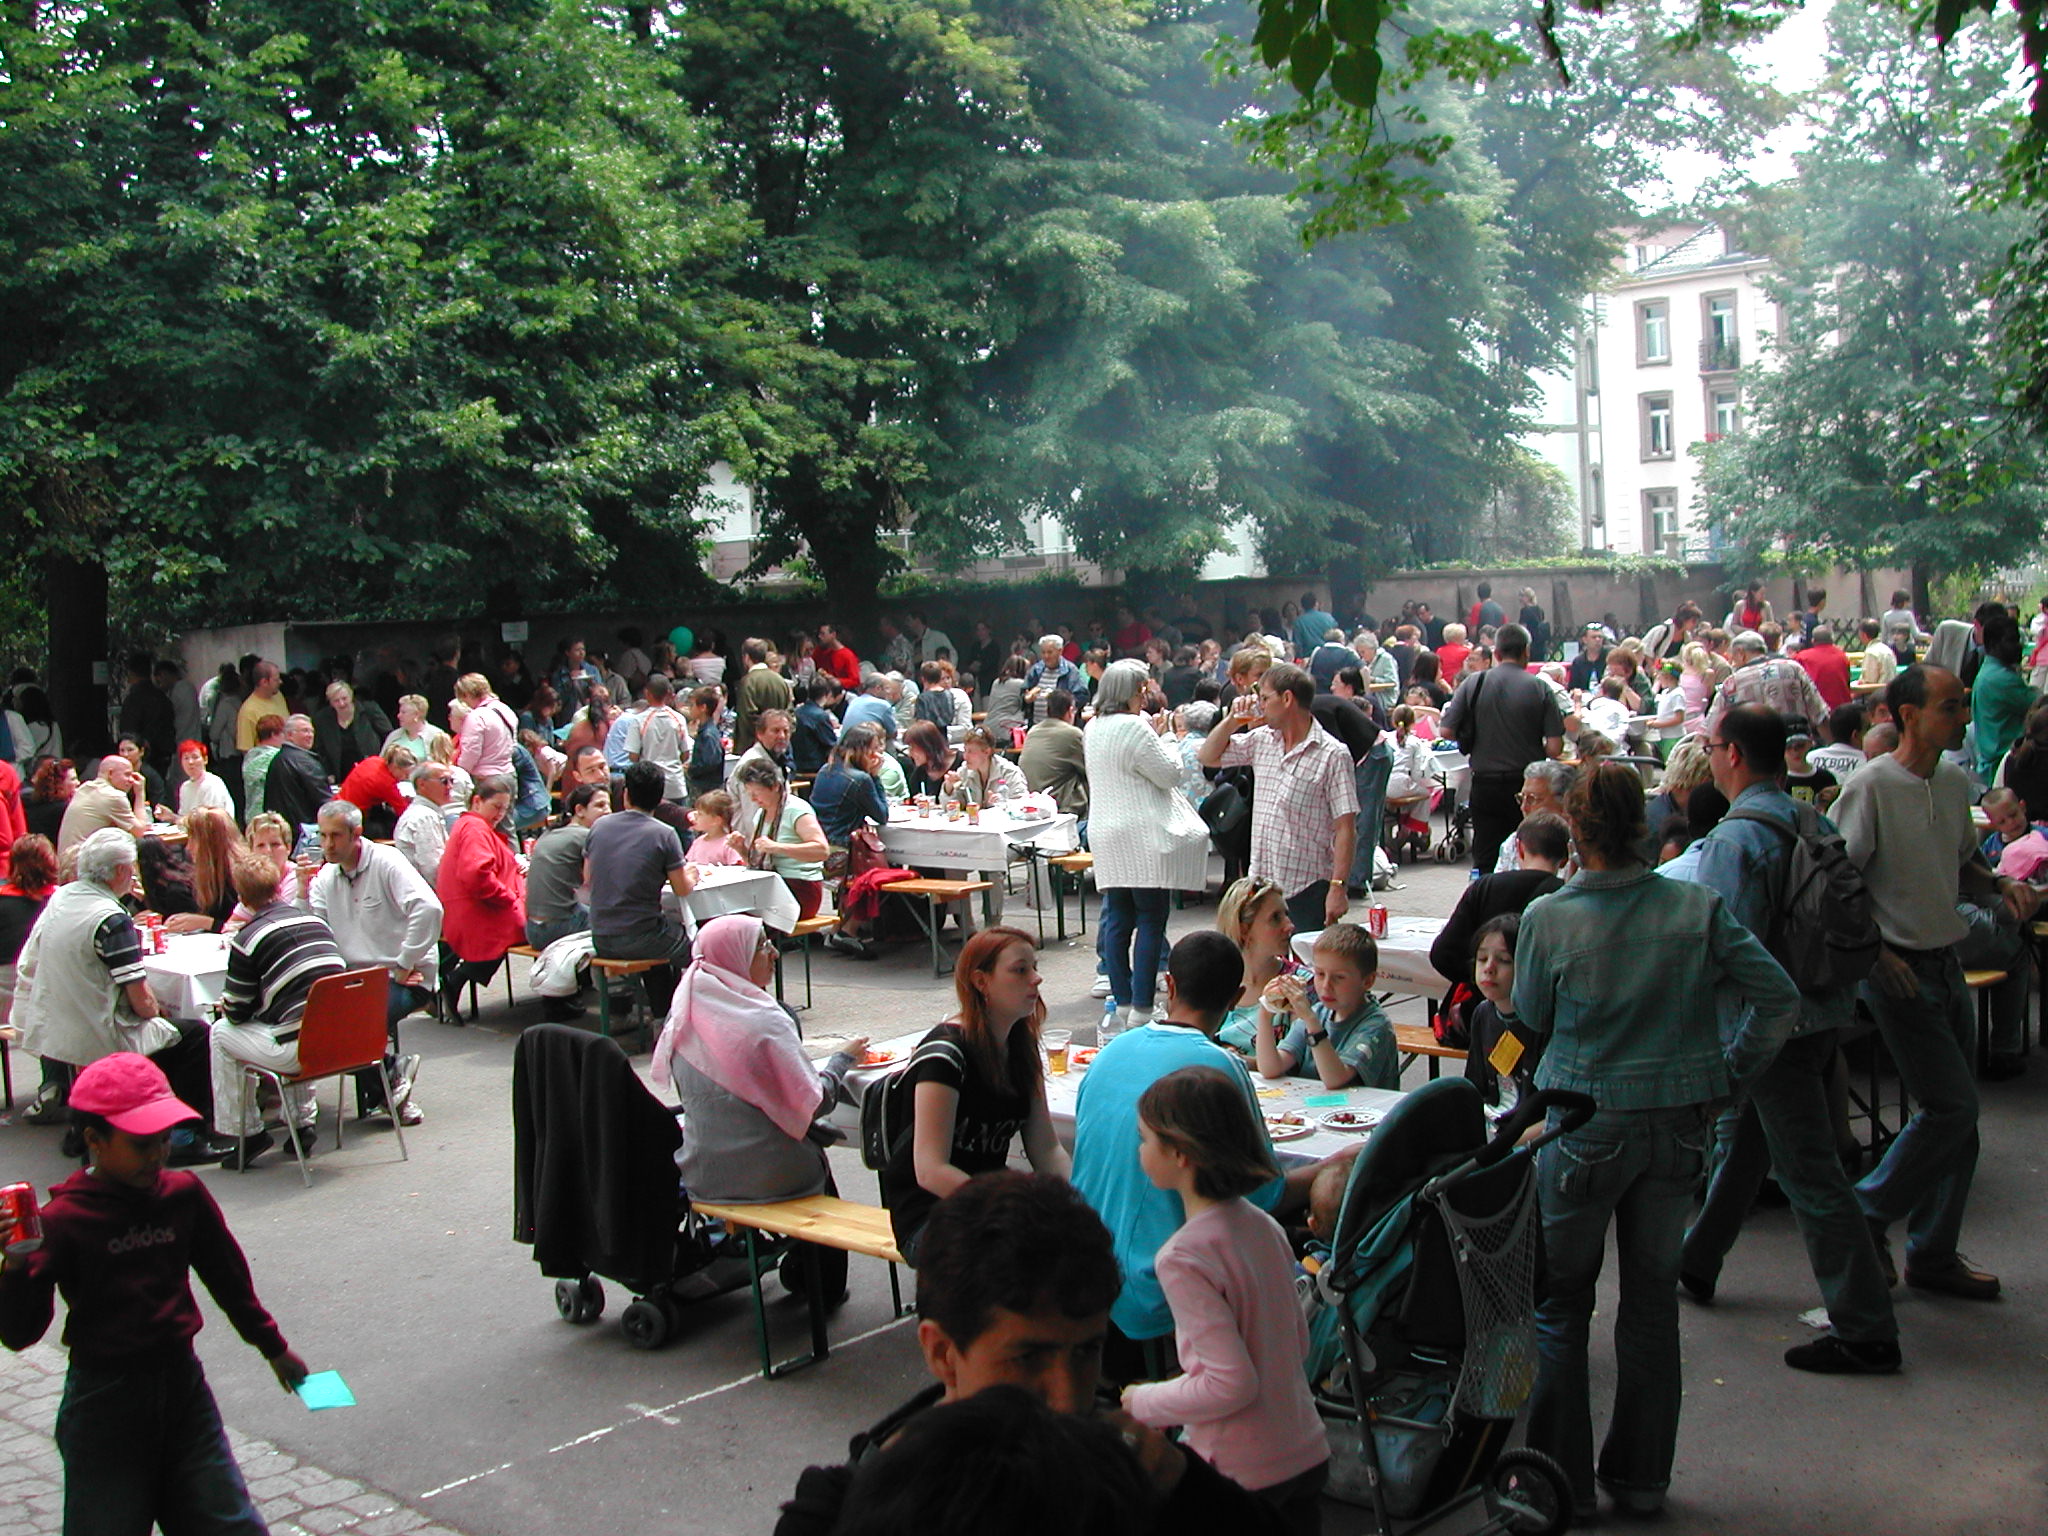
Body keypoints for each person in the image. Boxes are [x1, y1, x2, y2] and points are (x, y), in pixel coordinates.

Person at [1513, 763, 1800, 1519]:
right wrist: (1726, 1078)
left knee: (1561, 1305)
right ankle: (1642, 1480)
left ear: (1575, 830)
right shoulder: (1695, 906)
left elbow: (1533, 1015)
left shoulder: (1550, 917)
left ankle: (1561, 1485)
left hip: (1580, 1124)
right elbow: (1777, 998)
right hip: (1678, 1124)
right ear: (1641, 827)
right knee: (1650, 1306)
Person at [776, 1171, 1287, 1536]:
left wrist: (1188, 1487)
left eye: (1087, 1351)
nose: (1067, 1398)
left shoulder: (1142, 1472)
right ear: (943, 1352)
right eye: (1027, 1358)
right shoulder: (840, 1512)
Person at [1671, 704, 1902, 1374]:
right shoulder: (1810, 818)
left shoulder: (1736, 839)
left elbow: (1724, 947)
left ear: (1734, 754)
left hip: (1769, 1023)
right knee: (1755, 1141)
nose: (1709, 757)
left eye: (1713, 746)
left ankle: (1865, 1327)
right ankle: (1697, 1259)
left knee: (1811, 1173)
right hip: (1824, 1007)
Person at [0, 1053, 310, 1535]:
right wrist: (16, 1266)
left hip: (184, 1390)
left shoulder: (182, 1195)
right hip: (104, 1403)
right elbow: (20, 1333)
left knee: (229, 1523)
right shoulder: (63, 1221)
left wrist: (272, 1346)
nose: (157, 1155)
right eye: (141, 1144)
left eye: (164, 1139)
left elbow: (227, 1276)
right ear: (94, 1140)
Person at [1837, 665, 2034, 1299]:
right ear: (1907, 716)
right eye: (1950, 707)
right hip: (1897, 972)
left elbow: (1961, 861)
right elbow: (1836, 884)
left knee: (1957, 1121)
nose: (1963, 717)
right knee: (1953, 1108)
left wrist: (1999, 883)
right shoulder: (1870, 787)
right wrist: (1874, 953)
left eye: (1962, 705)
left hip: (1945, 960)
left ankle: (1932, 1252)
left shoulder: (1952, 783)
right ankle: (1865, 1214)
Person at [1073, 930, 1321, 1378]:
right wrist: (1334, 1168)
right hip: (1152, 1290)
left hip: (1082, 1269)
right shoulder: (1218, 1068)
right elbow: (1263, 1194)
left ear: (1169, 984)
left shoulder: (1111, 1052)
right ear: (1238, 996)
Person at [1123, 1068, 1327, 1525]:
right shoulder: (1264, 1226)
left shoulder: (1183, 1257)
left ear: (1180, 1154)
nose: (1139, 1151)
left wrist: (1142, 1400)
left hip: (1241, 1469)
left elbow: (1229, 1383)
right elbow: (1298, 1341)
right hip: (1305, 1447)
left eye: (1145, 1140)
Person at [652, 915, 866, 1300]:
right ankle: (824, 1287)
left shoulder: (681, 1014)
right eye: (762, 946)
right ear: (734, 957)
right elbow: (814, 1102)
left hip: (704, 1173)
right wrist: (842, 1061)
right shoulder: (764, 1020)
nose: (774, 954)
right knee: (815, 1160)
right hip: (773, 1175)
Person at [10, 829, 232, 1164]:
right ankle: (184, 1136)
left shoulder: (61, 899)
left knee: (171, 1030)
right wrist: (160, 1011)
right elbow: (143, 1004)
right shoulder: (111, 920)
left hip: (61, 1025)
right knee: (195, 1034)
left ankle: (95, 1125)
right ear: (119, 871)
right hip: (102, 1032)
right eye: (130, 869)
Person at [883, 927, 1069, 1260]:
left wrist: (1082, 1201)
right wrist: (1009, 1210)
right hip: (932, 1215)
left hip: (991, 1203)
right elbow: (930, 1170)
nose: (1036, 979)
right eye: (1020, 970)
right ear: (981, 981)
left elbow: (1047, 1149)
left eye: (1035, 967)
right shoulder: (945, 1055)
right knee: (1032, 1260)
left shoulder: (1020, 1047)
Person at [1085, 663, 1210, 1032]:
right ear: (1127, 693)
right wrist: (1168, 737)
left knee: (1118, 918)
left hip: (1106, 831)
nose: (1144, 696)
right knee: (1151, 918)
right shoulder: (1136, 727)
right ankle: (1142, 1006)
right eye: (1140, 690)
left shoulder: (1092, 727)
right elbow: (1170, 774)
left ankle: (1123, 1002)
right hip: (1142, 834)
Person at [297, 800, 432, 1125]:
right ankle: (391, 1077)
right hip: (353, 980)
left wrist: (404, 963)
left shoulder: (387, 862)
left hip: (403, 977)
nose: (328, 845)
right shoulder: (325, 877)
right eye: (323, 836)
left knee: (348, 1028)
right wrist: (302, 892)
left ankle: (388, 1083)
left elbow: (428, 908)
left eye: (335, 836)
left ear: (356, 834)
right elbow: (313, 931)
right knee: (316, 1027)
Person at [1197, 662, 1359, 932]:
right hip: (1262, 882)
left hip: (1307, 884)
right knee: (1263, 956)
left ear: (1287, 699)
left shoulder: (1332, 754)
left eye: (1264, 698)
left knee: (1305, 955)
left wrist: (1338, 887)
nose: (1259, 705)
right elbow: (1208, 756)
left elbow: (1346, 828)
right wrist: (1233, 720)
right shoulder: (1263, 740)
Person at [208, 850, 347, 1162]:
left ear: (242, 897)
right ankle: (302, 1121)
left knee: (220, 1032)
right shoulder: (316, 922)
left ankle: (247, 1133)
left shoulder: (248, 938)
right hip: (346, 1042)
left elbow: (237, 1012)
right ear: (277, 886)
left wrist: (225, 1005)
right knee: (296, 1018)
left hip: (302, 1050)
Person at [1441, 623, 1564, 874]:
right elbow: (1555, 747)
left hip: (1484, 782)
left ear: (1496, 653)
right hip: (1526, 786)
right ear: (1526, 651)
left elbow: (1446, 731)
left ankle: (1484, 893)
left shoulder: (1473, 684)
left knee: (1485, 853)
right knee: (1529, 848)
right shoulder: (1540, 687)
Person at [587, 760, 699, 1016]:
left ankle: (658, 1015)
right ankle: (677, 1017)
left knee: (661, 943)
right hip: (643, 936)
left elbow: (588, 875)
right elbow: (682, 889)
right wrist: (691, 875)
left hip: (601, 935)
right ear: (660, 798)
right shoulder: (664, 833)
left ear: (625, 795)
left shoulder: (599, 827)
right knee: (698, 948)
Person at [1430, 811, 1568, 988]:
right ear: (1565, 859)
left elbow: (1443, 954)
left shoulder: (1484, 887)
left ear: (1519, 848)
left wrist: (1480, 982)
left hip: (1485, 997)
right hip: (1541, 998)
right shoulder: (1565, 896)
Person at [1250, 922, 1394, 1090]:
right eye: (1320, 974)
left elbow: (1335, 1079)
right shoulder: (1318, 1012)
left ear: (1367, 981)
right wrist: (1266, 1012)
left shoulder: (1375, 1025)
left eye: (1339, 977)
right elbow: (1270, 1068)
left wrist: (1312, 1022)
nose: (1326, 986)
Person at [435, 774, 526, 1016]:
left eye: (504, 810)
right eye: (496, 807)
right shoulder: (474, 828)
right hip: (478, 911)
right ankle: (456, 980)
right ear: (477, 801)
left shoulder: (471, 826)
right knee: (532, 929)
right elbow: (477, 875)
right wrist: (509, 897)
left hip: (478, 908)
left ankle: (456, 981)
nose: (499, 815)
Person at [1461, 914, 1542, 1111]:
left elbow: (1549, 1110)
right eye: (1482, 958)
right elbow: (1474, 1088)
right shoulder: (1482, 1013)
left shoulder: (1540, 1020)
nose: (1489, 968)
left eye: (1504, 960)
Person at [733, 759, 828, 923]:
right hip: (772, 883)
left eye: (756, 792)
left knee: (745, 914)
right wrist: (741, 849)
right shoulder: (760, 815)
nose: (753, 799)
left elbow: (822, 851)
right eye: (749, 793)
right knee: (731, 906)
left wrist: (778, 847)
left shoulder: (796, 810)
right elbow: (757, 862)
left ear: (775, 787)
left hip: (800, 886)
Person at [525, 780, 608, 958]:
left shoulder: (550, 832)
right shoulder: (587, 836)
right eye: (600, 805)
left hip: (532, 929)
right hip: (560, 928)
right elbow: (595, 880)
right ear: (580, 810)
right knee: (623, 926)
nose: (608, 811)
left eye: (609, 805)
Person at [1704, 630, 1829, 737]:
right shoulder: (1793, 668)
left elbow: (1711, 726)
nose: (1733, 663)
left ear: (1741, 653)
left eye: (1733, 657)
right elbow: (1819, 714)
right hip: (1796, 746)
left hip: (1757, 752)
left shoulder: (1733, 682)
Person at [1970, 607, 2032, 780]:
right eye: (2011, 641)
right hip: (2004, 767)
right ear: (1994, 644)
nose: (2019, 646)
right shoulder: (2002, 679)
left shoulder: (1991, 671)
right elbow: (2040, 706)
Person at [57, 751, 151, 854]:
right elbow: (140, 831)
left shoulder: (84, 787)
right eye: (127, 775)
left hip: (67, 858)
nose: (131, 780)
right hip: (82, 860)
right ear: (110, 774)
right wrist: (140, 793)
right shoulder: (114, 796)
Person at [1020, 689, 1090, 817]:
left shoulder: (1033, 731)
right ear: (1070, 711)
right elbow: (1090, 769)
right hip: (1060, 805)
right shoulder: (1072, 734)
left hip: (1031, 802)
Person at [263, 714, 334, 836]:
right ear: (290, 735)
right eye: (305, 731)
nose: (310, 735)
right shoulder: (304, 762)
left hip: (283, 831)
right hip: (304, 832)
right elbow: (324, 801)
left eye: (312, 731)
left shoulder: (279, 759)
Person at [626, 673, 691, 804]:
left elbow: (633, 756)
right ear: (668, 693)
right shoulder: (679, 719)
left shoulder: (638, 721)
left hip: (649, 784)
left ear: (647, 693)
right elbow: (686, 754)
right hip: (675, 785)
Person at [312, 681, 393, 781]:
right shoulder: (322, 718)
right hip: (341, 775)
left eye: (344, 698)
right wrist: (329, 772)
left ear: (351, 696)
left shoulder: (369, 710)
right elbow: (320, 749)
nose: (341, 704)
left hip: (372, 770)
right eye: (336, 701)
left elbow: (389, 736)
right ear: (330, 703)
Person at [732, 637, 794, 755]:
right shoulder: (780, 681)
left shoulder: (747, 682)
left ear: (746, 658)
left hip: (753, 749)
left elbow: (747, 717)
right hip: (780, 749)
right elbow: (790, 713)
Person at [452, 672, 517, 781]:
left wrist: (460, 773)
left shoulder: (476, 717)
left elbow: (471, 752)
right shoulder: (506, 709)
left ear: (467, 694)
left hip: (485, 778)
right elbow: (513, 745)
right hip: (509, 775)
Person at [948, 727, 1029, 807]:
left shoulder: (1009, 772)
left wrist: (1003, 802)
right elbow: (953, 807)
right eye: (965, 750)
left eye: (970, 751)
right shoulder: (964, 771)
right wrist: (948, 788)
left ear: (987, 752)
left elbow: (1023, 803)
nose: (965, 756)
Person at [725, 706, 795, 798]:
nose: (782, 736)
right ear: (760, 734)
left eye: (786, 731)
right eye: (776, 731)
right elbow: (753, 806)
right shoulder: (753, 765)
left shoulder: (778, 758)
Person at [792, 675, 842, 774]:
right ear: (827, 694)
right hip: (814, 765)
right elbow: (831, 743)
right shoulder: (820, 716)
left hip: (797, 763)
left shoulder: (797, 711)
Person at [683, 789, 745, 866]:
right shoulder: (698, 841)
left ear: (716, 820)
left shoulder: (729, 844)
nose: (695, 816)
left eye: (700, 814)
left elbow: (737, 868)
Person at [174, 740, 234, 820]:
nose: (190, 762)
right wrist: (170, 817)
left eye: (195, 757)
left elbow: (211, 820)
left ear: (205, 759)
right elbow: (183, 819)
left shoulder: (212, 783)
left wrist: (173, 818)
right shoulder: (185, 787)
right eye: (186, 758)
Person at [234, 661, 286, 752]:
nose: (280, 682)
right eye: (276, 680)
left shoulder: (279, 696)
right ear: (264, 682)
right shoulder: (248, 711)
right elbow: (246, 750)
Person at [25, 757, 76, 844]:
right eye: (73, 779)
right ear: (58, 783)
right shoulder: (63, 810)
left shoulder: (28, 803)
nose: (78, 783)